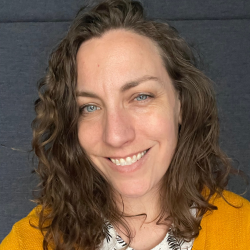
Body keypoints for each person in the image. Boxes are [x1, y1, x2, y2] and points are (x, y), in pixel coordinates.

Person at [0, 0, 249, 249]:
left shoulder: (243, 230)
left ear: (181, 104)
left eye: (141, 96)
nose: (116, 135)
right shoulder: (28, 242)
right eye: (89, 107)